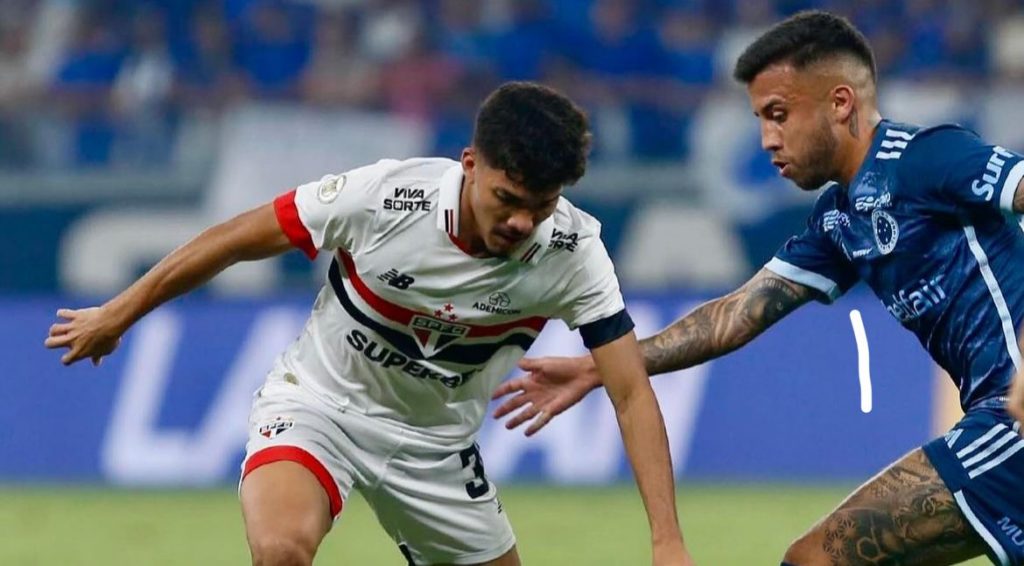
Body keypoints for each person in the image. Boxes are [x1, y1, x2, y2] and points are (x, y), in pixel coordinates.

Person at [44, 82, 693, 566]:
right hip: (320, 406)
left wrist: (667, 540)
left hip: (435, 448)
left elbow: (631, 391)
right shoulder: (385, 198)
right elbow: (235, 238)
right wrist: (117, 312)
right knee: (281, 552)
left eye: (541, 205)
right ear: (471, 164)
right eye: (508, 198)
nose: (523, 221)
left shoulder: (574, 253)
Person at [493, 12, 1024, 566]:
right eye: (760, 120)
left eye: (779, 115)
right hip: (998, 424)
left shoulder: (926, 158)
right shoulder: (838, 220)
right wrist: (601, 366)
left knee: (814, 560)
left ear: (840, 103)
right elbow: (737, 315)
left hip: (1011, 425)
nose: (769, 140)